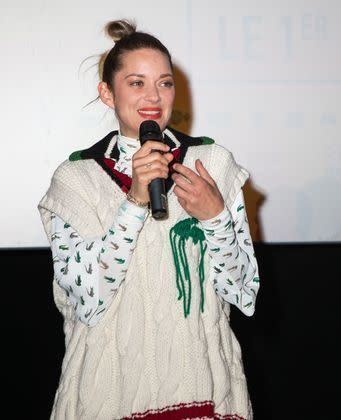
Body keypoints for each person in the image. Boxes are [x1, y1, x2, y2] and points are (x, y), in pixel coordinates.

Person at [38, 20, 259, 419]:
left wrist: (215, 219)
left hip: (204, 388)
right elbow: (88, 301)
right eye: (137, 83)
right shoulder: (76, 180)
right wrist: (135, 202)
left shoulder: (212, 163)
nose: (154, 96)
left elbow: (244, 292)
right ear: (107, 93)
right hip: (109, 392)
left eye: (165, 83)